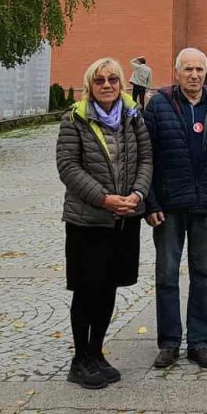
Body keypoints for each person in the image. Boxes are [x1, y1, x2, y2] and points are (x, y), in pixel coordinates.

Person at [55, 57, 153, 390]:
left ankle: (96, 352)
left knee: (109, 287)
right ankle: (79, 359)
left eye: (113, 79)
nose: (107, 85)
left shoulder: (133, 116)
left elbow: (146, 158)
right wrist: (104, 198)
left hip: (124, 218)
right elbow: (68, 168)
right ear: (90, 86)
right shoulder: (75, 118)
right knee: (87, 290)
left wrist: (138, 194)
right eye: (100, 80)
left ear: (122, 83)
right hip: (88, 220)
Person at [142, 48, 207, 371]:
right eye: (188, 69)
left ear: (206, 73)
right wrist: (150, 202)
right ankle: (169, 343)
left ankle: (199, 343)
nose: (194, 75)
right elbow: (146, 157)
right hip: (169, 206)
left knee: (204, 275)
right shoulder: (159, 105)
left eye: (199, 69)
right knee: (166, 275)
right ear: (177, 72)